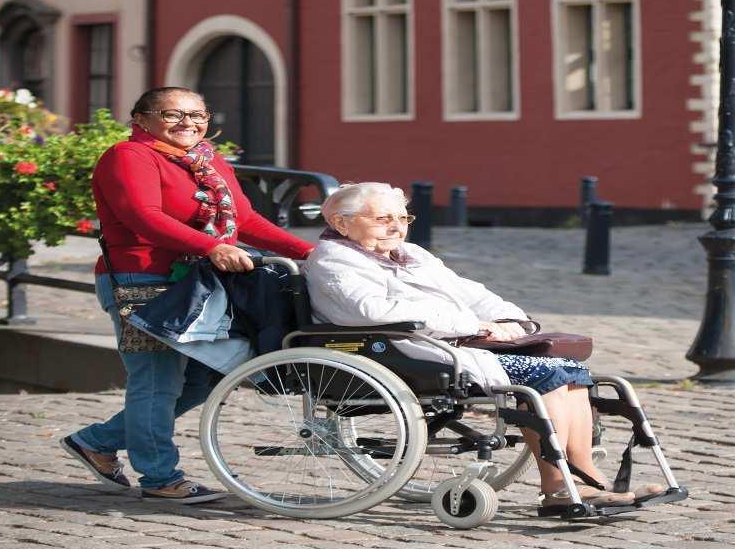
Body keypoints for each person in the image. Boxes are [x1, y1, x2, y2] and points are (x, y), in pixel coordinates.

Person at [303, 182, 656, 513]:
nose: (396, 227)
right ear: (341, 223)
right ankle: (557, 486)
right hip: (402, 350)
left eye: (402, 217)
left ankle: (587, 480)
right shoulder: (334, 261)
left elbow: (468, 292)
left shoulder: (410, 254)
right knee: (543, 376)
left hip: (452, 344)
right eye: (382, 218)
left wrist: (513, 321)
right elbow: (374, 311)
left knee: (570, 371)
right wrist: (475, 326)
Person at [62, 87, 313, 503]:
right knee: (157, 380)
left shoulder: (207, 160)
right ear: (141, 119)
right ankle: (160, 477)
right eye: (173, 114)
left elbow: (245, 219)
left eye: (198, 114)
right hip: (142, 280)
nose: (189, 123)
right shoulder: (129, 156)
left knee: (208, 375)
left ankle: (96, 442)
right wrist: (211, 246)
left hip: (201, 282)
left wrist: (311, 253)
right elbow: (144, 217)